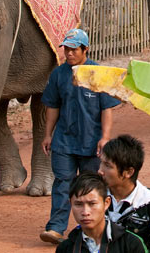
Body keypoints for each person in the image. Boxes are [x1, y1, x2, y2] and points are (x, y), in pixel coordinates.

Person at [41, 29, 121, 245]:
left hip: (91, 143)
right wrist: (48, 134)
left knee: (91, 187)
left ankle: (95, 230)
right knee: (62, 183)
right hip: (64, 141)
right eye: (66, 49)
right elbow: (52, 106)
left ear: (86, 49)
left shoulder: (98, 73)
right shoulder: (59, 75)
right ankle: (56, 228)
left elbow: (106, 109)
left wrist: (105, 138)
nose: (69, 54)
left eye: (74, 50)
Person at [99, 135, 150, 253]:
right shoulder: (95, 197)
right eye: (101, 163)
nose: (100, 171)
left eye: (108, 166)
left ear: (129, 172)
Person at [59, 173, 147, 253]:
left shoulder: (130, 244)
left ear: (106, 203)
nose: (85, 212)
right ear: (70, 204)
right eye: (78, 204)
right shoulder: (65, 248)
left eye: (92, 204)